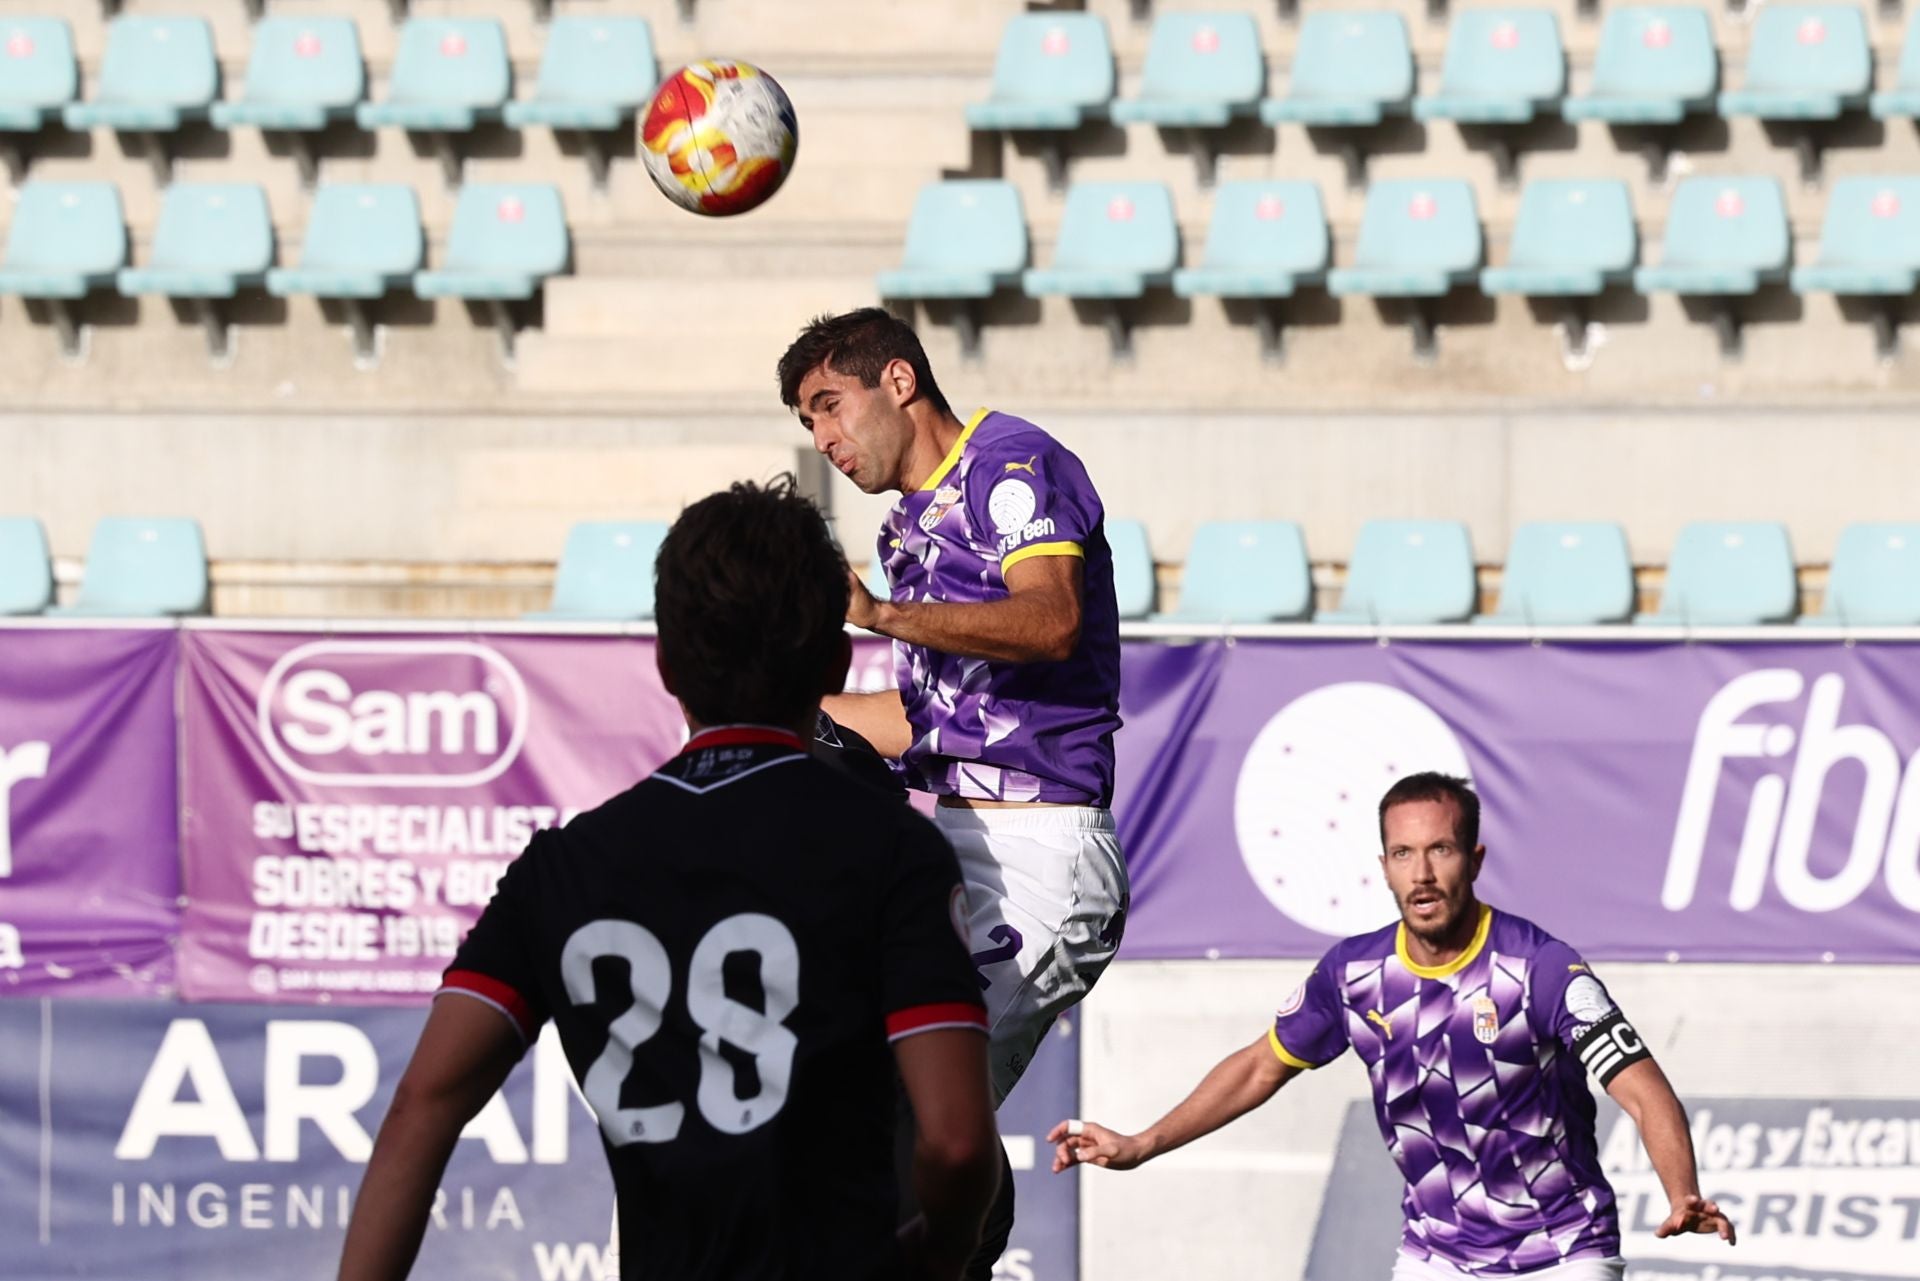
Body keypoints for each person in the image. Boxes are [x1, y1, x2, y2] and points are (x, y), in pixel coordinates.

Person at [337, 477, 1001, 1281]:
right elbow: (958, 1142)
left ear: (665, 660)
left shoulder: (564, 867)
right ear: (834, 659)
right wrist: (940, 1252)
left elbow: (421, 1108)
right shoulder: (897, 850)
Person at [1048, 773, 1738, 1281]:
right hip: (1434, 1256)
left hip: (1563, 1251)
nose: (1424, 873)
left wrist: (1681, 1190)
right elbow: (1259, 1065)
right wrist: (1142, 1143)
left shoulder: (1542, 967)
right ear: (1383, 867)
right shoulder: (1355, 973)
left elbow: (1644, 1089)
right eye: (1404, 854)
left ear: (1475, 859)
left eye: (1440, 850)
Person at [777, 307, 1129, 1109]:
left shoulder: (1011, 464)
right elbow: (931, 716)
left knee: (909, 1114)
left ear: (899, 380)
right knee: (859, 1089)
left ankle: (954, 1222)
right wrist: (773, 717)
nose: (824, 435)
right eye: (807, 421)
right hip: (959, 846)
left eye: (831, 403)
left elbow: (1052, 621)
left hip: (1039, 854)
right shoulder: (906, 530)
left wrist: (881, 616)